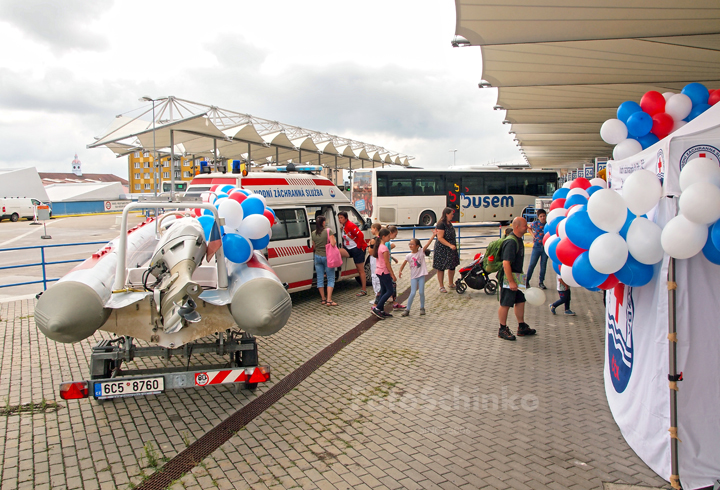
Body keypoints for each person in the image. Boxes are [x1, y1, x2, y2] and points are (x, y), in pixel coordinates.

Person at [497, 217, 536, 341]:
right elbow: (506, 263)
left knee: (520, 300)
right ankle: (502, 329)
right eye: (525, 225)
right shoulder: (511, 242)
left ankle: (521, 326)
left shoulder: (519, 240)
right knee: (506, 303)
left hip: (518, 276)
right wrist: (511, 282)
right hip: (510, 277)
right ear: (517, 227)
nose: (527, 227)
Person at [398, 232, 435, 317]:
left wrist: (433, 235)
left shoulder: (421, 252)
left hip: (421, 276)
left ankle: (422, 308)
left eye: (412, 244)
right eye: (409, 244)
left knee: (421, 292)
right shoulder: (408, 255)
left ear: (418, 246)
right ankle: (407, 309)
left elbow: (428, 243)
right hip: (413, 277)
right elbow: (403, 264)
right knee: (413, 293)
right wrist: (400, 270)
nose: (410, 245)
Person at [337, 211, 368, 296]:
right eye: (339, 218)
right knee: (337, 252)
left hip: (357, 249)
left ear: (346, 218)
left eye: (341, 218)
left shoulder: (350, 225)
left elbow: (361, 235)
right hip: (348, 248)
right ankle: (334, 271)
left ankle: (364, 290)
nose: (340, 219)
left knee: (360, 270)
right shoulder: (343, 226)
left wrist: (358, 247)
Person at [309, 216, 337, 306]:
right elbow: (333, 243)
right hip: (327, 257)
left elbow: (314, 247)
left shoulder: (313, 233)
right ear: (323, 223)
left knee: (320, 278)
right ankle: (329, 300)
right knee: (330, 278)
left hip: (317, 257)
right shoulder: (329, 231)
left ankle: (323, 299)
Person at [433, 207, 460, 293]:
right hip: (442, 248)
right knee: (441, 267)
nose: (453, 215)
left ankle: (450, 283)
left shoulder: (449, 223)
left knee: (452, 266)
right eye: (451, 214)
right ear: (446, 214)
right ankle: (441, 286)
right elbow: (440, 238)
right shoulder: (441, 224)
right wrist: (450, 245)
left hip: (450, 248)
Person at [371, 229, 395, 320]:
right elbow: (387, 263)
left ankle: (380, 309)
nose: (389, 238)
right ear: (383, 237)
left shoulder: (379, 246)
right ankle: (377, 308)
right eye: (388, 236)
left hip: (378, 270)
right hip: (384, 271)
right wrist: (392, 274)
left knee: (384, 290)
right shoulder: (384, 248)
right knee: (390, 291)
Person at [525, 209, 548, 290]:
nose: (543, 218)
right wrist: (533, 235)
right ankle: (527, 281)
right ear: (538, 217)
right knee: (532, 264)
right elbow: (529, 227)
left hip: (545, 247)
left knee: (543, 265)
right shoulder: (535, 224)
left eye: (544, 216)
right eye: (541, 216)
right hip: (537, 246)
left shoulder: (548, 224)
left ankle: (541, 282)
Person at [387, 226, 405, 309]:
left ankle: (393, 302)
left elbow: (387, 254)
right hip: (386, 268)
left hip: (385, 267)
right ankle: (377, 305)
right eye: (395, 234)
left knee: (385, 287)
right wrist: (392, 273)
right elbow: (385, 256)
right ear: (390, 233)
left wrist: (393, 258)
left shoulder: (386, 242)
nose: (396, 236)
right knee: (392, 285)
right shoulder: (387, 243)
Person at [368, 223, 383, 307]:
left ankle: (377, 295)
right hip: (380, 259)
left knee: (374, 276)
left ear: (375, 229)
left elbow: (371, 252)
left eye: (372, 228)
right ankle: (380, 294)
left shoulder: (373, 240)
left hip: (374, 258)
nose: (371, 230)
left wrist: (369, 246)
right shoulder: (381, 238)